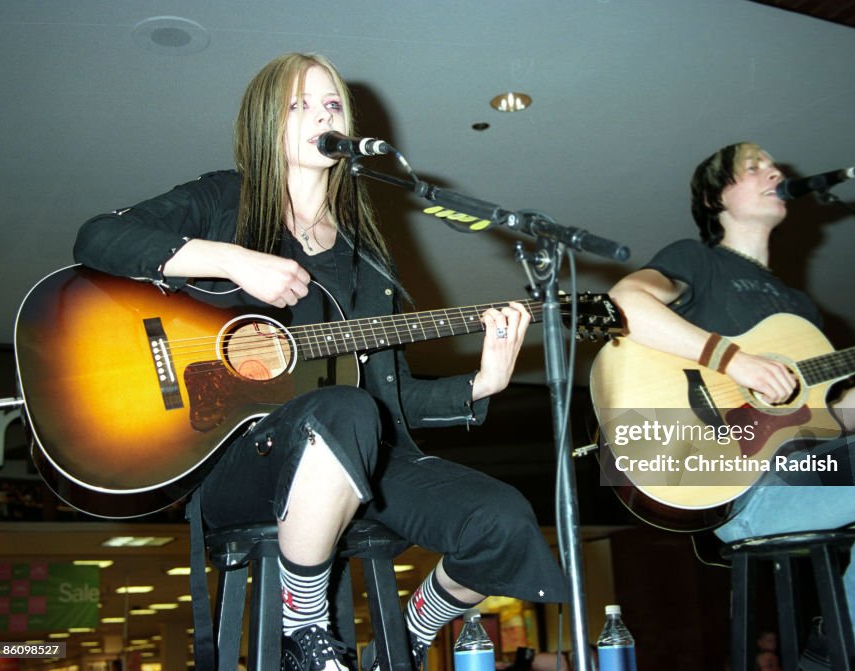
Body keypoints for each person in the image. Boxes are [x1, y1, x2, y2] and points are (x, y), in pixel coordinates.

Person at [73, 52, 567, 671]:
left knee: (501, 521)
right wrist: (230, 259)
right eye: (299, 105)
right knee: (340, 409)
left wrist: (481, 384)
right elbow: (96, 238)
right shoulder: (223, 198)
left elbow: (386, 399)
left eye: (331, 105)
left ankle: (415, 629)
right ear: (263, 122)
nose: (321, 115)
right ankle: (302, 625)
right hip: (240, 457)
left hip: (354, 444)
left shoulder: (367, 256)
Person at [606, 142, 855, 670]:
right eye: (754, 167)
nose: (774, 171)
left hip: (807, 469)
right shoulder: (695, 259)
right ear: (713, 197)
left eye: (772, 165)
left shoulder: (799, 312)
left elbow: (831, 418)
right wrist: (732, 361)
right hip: (737, 485)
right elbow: (625, 302)